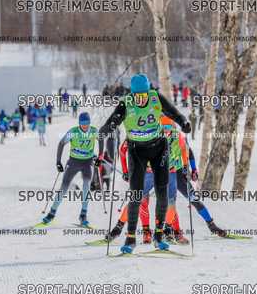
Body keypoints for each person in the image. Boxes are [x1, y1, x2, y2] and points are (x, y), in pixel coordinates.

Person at [98, 73, 190, 254]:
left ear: (148, 92)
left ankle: (159, 235)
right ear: (132, 94)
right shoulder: (126, 103)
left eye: (144, 95)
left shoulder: (156, 98)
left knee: (162, 193)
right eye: (137, 95)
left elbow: (173, 113)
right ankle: (130, 237)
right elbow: (111, 122)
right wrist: (107, 128)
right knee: (136, 194)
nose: (141, 99)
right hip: (137, 151)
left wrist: (184, 122)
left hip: (159, 149)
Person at [39, 112, 98, 227]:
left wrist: (98, 156)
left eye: (87, 123)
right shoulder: (73, 132)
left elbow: (101, 141)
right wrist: (58, 161)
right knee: (64, 188)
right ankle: (52, 213)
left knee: (86, 186)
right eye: (82, 123)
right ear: (79, 123)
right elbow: (61, 144)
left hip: (87, 162)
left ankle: (83, 215)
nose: (85, 126)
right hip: (73, 162)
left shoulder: (94, 131)